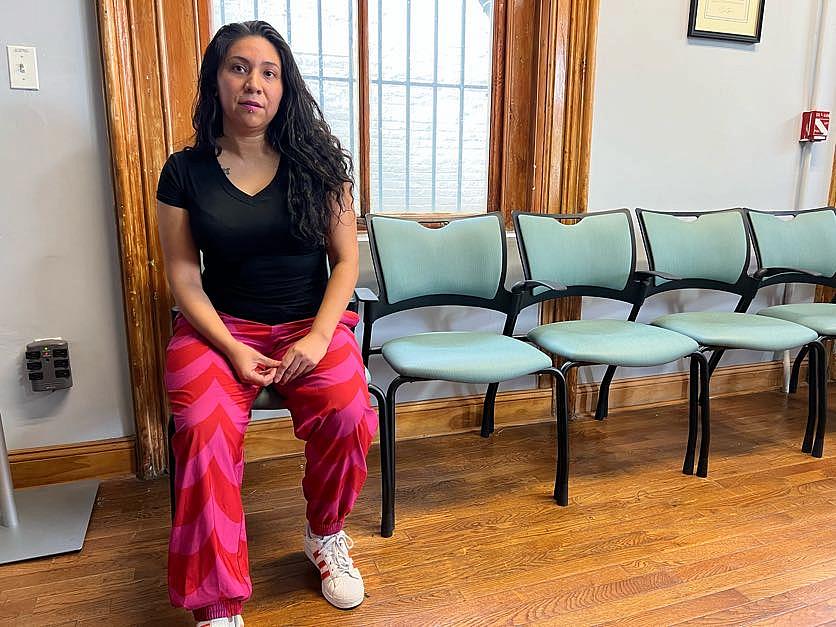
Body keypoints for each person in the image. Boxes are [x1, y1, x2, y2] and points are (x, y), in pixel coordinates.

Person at [156, 20, 378, 627]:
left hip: (310, 322)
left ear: (284, 88)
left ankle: (325, 535)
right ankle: (217, 602)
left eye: (269, 71)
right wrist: (229, 346)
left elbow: (347, 261)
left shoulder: (319, 166)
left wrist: (315, 336)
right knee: (201, 426)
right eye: (239, 67)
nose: (253, 82)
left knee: (349, 408)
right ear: (216, 80)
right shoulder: (184, 172)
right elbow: (183, 277)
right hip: (218, 326)